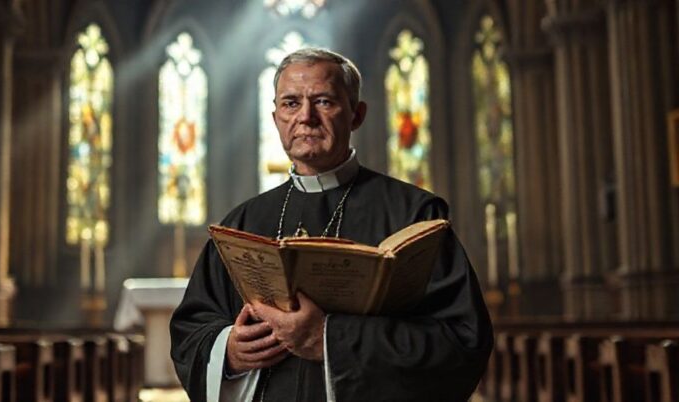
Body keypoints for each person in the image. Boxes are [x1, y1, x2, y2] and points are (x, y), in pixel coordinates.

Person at [170, 47, 493, 402]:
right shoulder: (243, 223)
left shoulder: (416, 215)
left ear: (356, 115)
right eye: (291, 103)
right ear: (276, 117)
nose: (305, 117)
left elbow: (462, 341)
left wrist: (329, 338)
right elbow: (191, 331)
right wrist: (228, 351)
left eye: (323, 101)